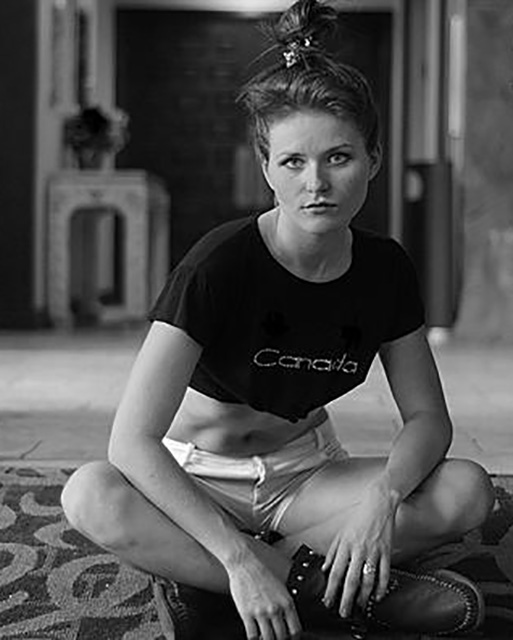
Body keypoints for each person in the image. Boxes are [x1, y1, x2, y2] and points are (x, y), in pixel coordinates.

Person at [61, 1, 495, 638]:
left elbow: (429, 419)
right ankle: (322, 591)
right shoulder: (219, 264)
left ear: (374, 159)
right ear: (266, 169)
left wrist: (381, 499)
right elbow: (131, 443)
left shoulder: (386, 269)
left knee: (466, 489)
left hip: (305, 476)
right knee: (90, 495)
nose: (316, 182)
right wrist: (238, 556)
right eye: (293, 162)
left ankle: (214, 586)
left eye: (338, 158)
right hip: (199, 476)